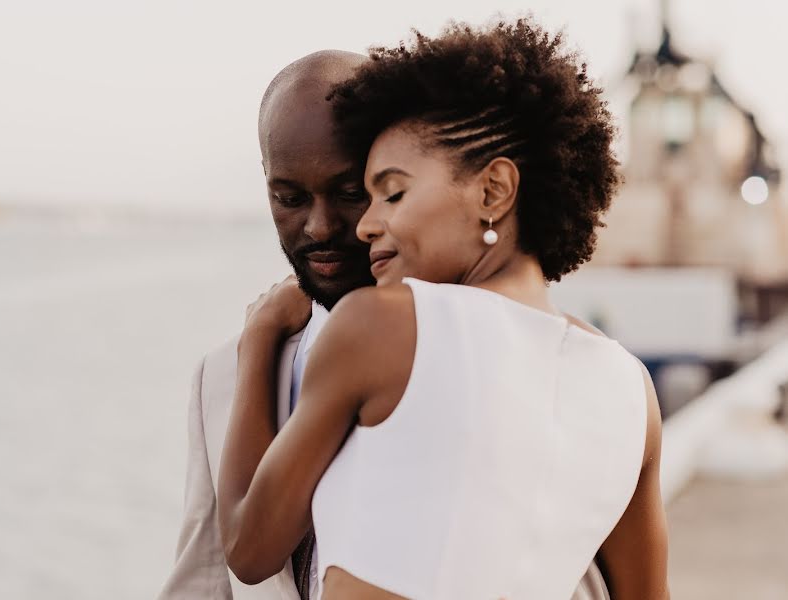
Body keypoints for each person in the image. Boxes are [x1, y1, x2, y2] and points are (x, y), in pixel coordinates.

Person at [217, 19, 669, 600]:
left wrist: (258, 339)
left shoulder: (382, 326)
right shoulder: (632, 390)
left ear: (493, 191)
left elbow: (248, 550)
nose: (366, 224)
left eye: (393, 192)